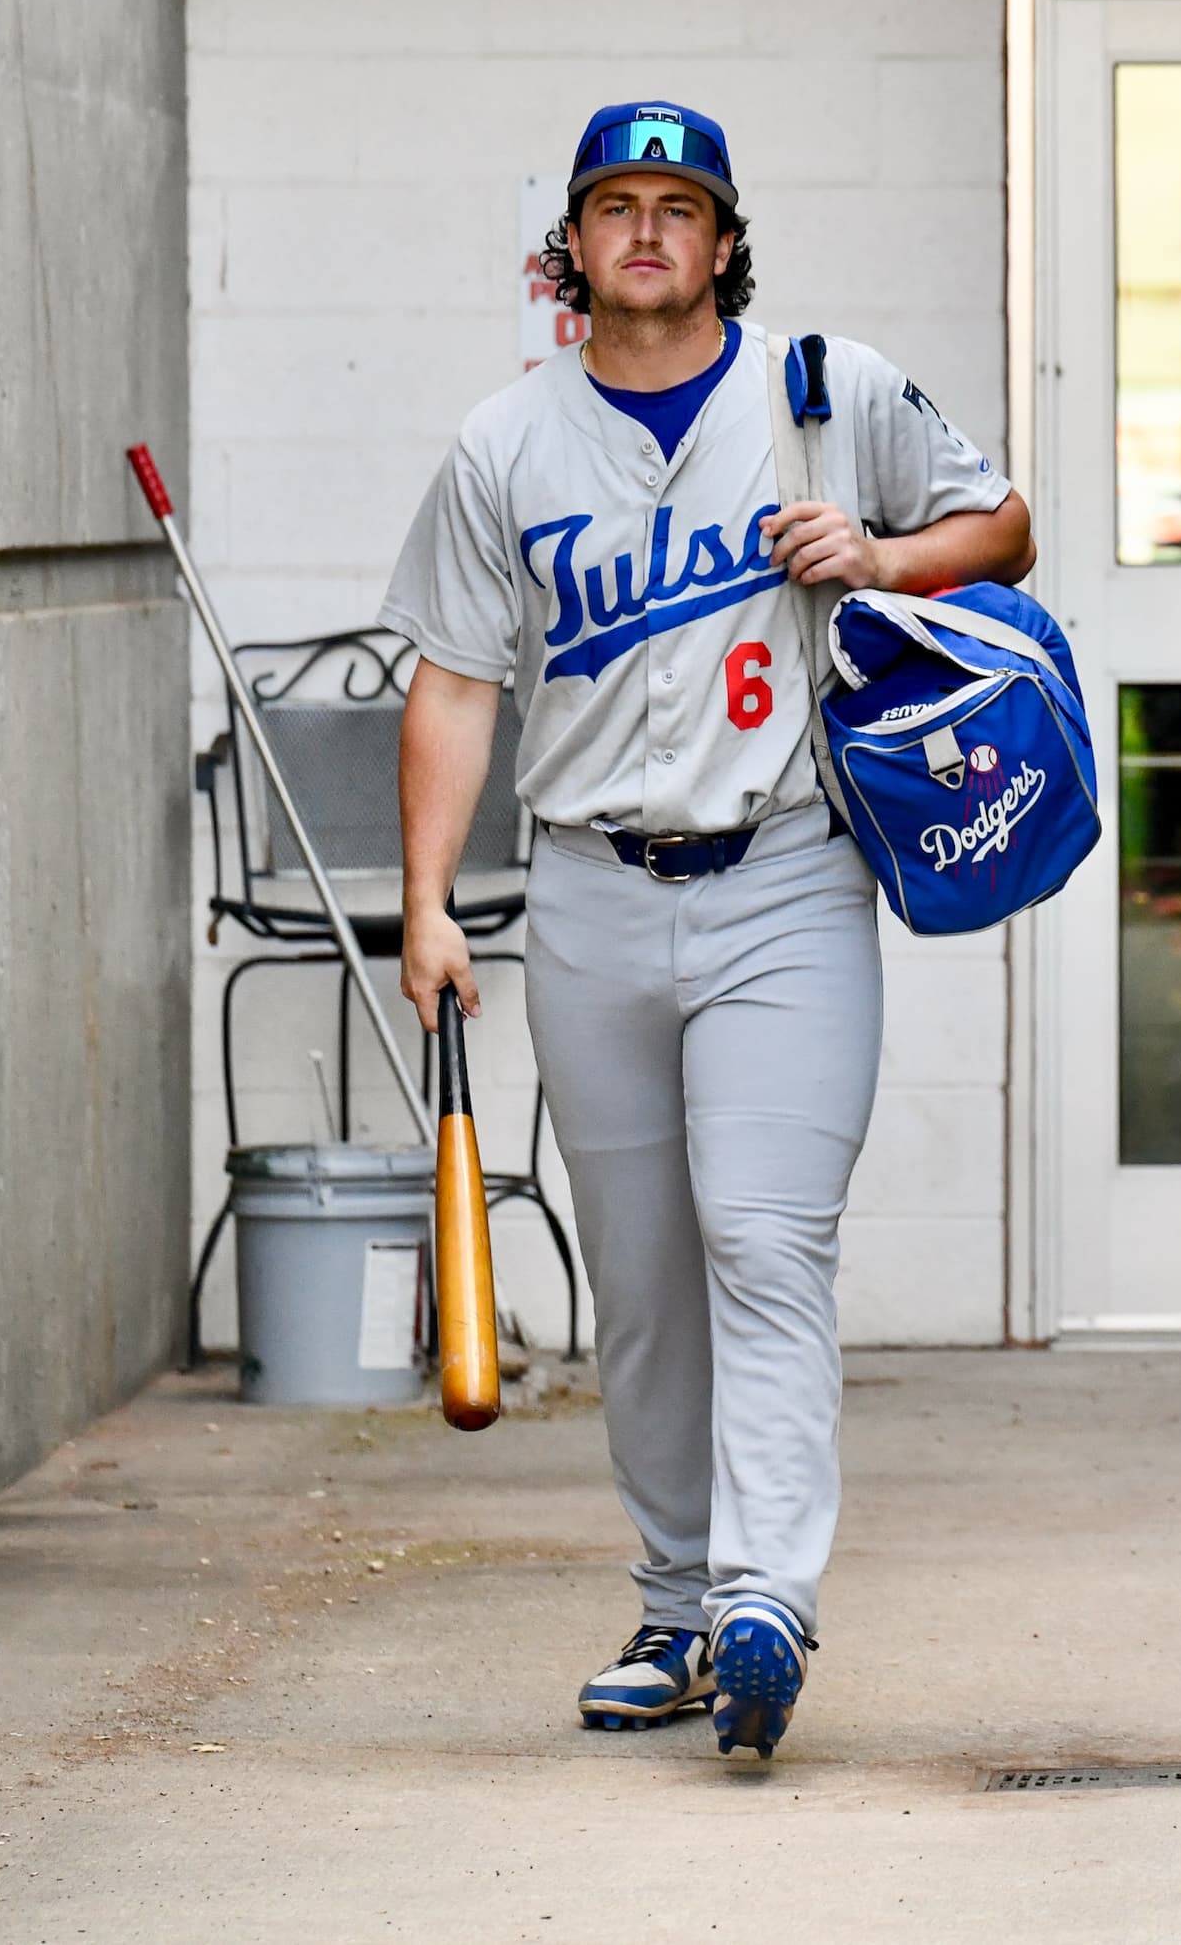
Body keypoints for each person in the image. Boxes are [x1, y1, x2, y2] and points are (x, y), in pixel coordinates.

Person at [384, 101, 1034, 1758]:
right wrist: (427, 903)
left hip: (788, 872)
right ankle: (675, 1604)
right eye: (619, 206)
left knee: (763, 1236)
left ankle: (763, 1600)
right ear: (574, 248)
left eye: (683, 205)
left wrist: (883, 553)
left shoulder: (826, 389)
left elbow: (1004, 529)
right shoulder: (508, 442)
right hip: (592, 890)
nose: (651, 232)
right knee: (649, 1284)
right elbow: (456, 682)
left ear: (726, 237)